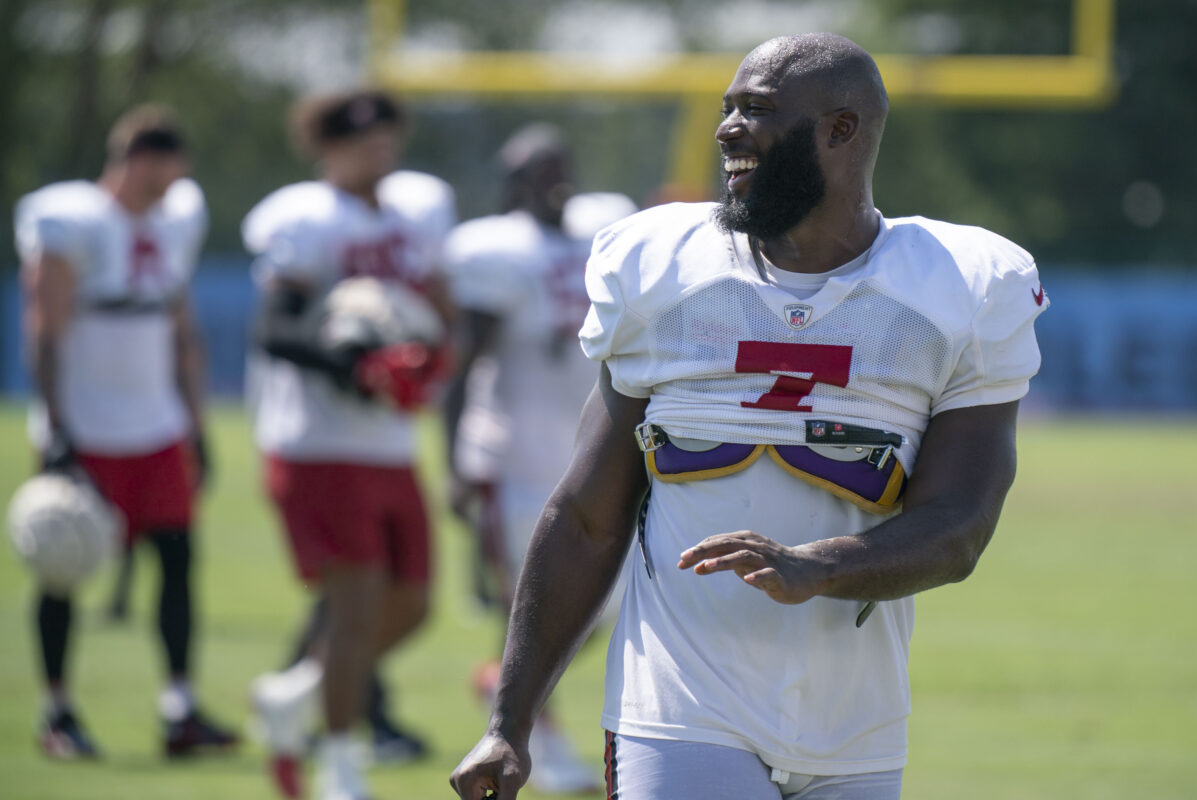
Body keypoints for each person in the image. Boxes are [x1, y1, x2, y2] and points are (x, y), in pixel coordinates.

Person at [451, 32, 1048, 800]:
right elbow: (586, 517)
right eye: (728, 108)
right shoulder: (662, 266)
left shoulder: (963, 284)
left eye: (757, 110)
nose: (728, 129)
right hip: (677, 710)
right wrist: (510, 719)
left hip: (855, 723)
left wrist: (818, 566)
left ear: (841, 129)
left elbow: (960, 523)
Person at [242, 89, 456, 800]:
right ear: (326, 148)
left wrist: (432, 352)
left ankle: (299, 694)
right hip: (318, 441)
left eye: (387, 139)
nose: (380, 153)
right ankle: (336, 763)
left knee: (415, 603)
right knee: (356, 606)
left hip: (389, 442)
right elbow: (275, 329)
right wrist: (355, 364)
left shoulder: (412, 213)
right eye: (364, 143)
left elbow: (433, 305)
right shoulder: (303, 218)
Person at [14, 104, 238, 760]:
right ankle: (57, 711)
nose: (177, 182)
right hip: (87, 425)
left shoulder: (172, 222)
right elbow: (44, 328)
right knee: (63, 567)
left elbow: (181, 324)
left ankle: (180, 708)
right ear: (140, 160)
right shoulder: (74, 221)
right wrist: (56, 428)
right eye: (169, 167)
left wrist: (195, 423)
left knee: (177, 563)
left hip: (156, 424)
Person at [442, 123, 637, 795]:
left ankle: (505, 684)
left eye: (561, 162)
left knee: (603, 605)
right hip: (514, 457)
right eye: (538, 169)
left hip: (587, 453)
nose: (556, 178)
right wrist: (454, 461)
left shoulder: (604, 227)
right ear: (515, 183)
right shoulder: (496, 250)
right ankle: (539, 744)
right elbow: (466, 363)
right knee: (534, 606)